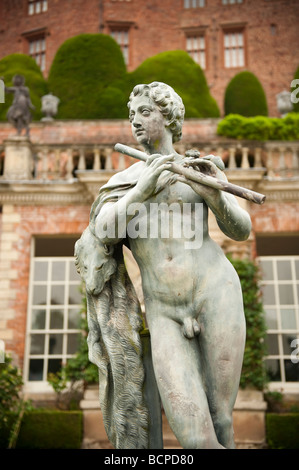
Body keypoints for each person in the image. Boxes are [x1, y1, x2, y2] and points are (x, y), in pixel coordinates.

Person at [90, 81, 252, 449]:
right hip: (164, 310)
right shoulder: (124, 182)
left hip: (216, 292)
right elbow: (103, 231)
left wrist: (217, 195)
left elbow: (240, 230)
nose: (136, 122)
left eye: (145, 113)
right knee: (195, 436)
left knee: (222, 418)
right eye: (132, 115)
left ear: (170, 117)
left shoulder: (199, 168)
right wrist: (142, 189)